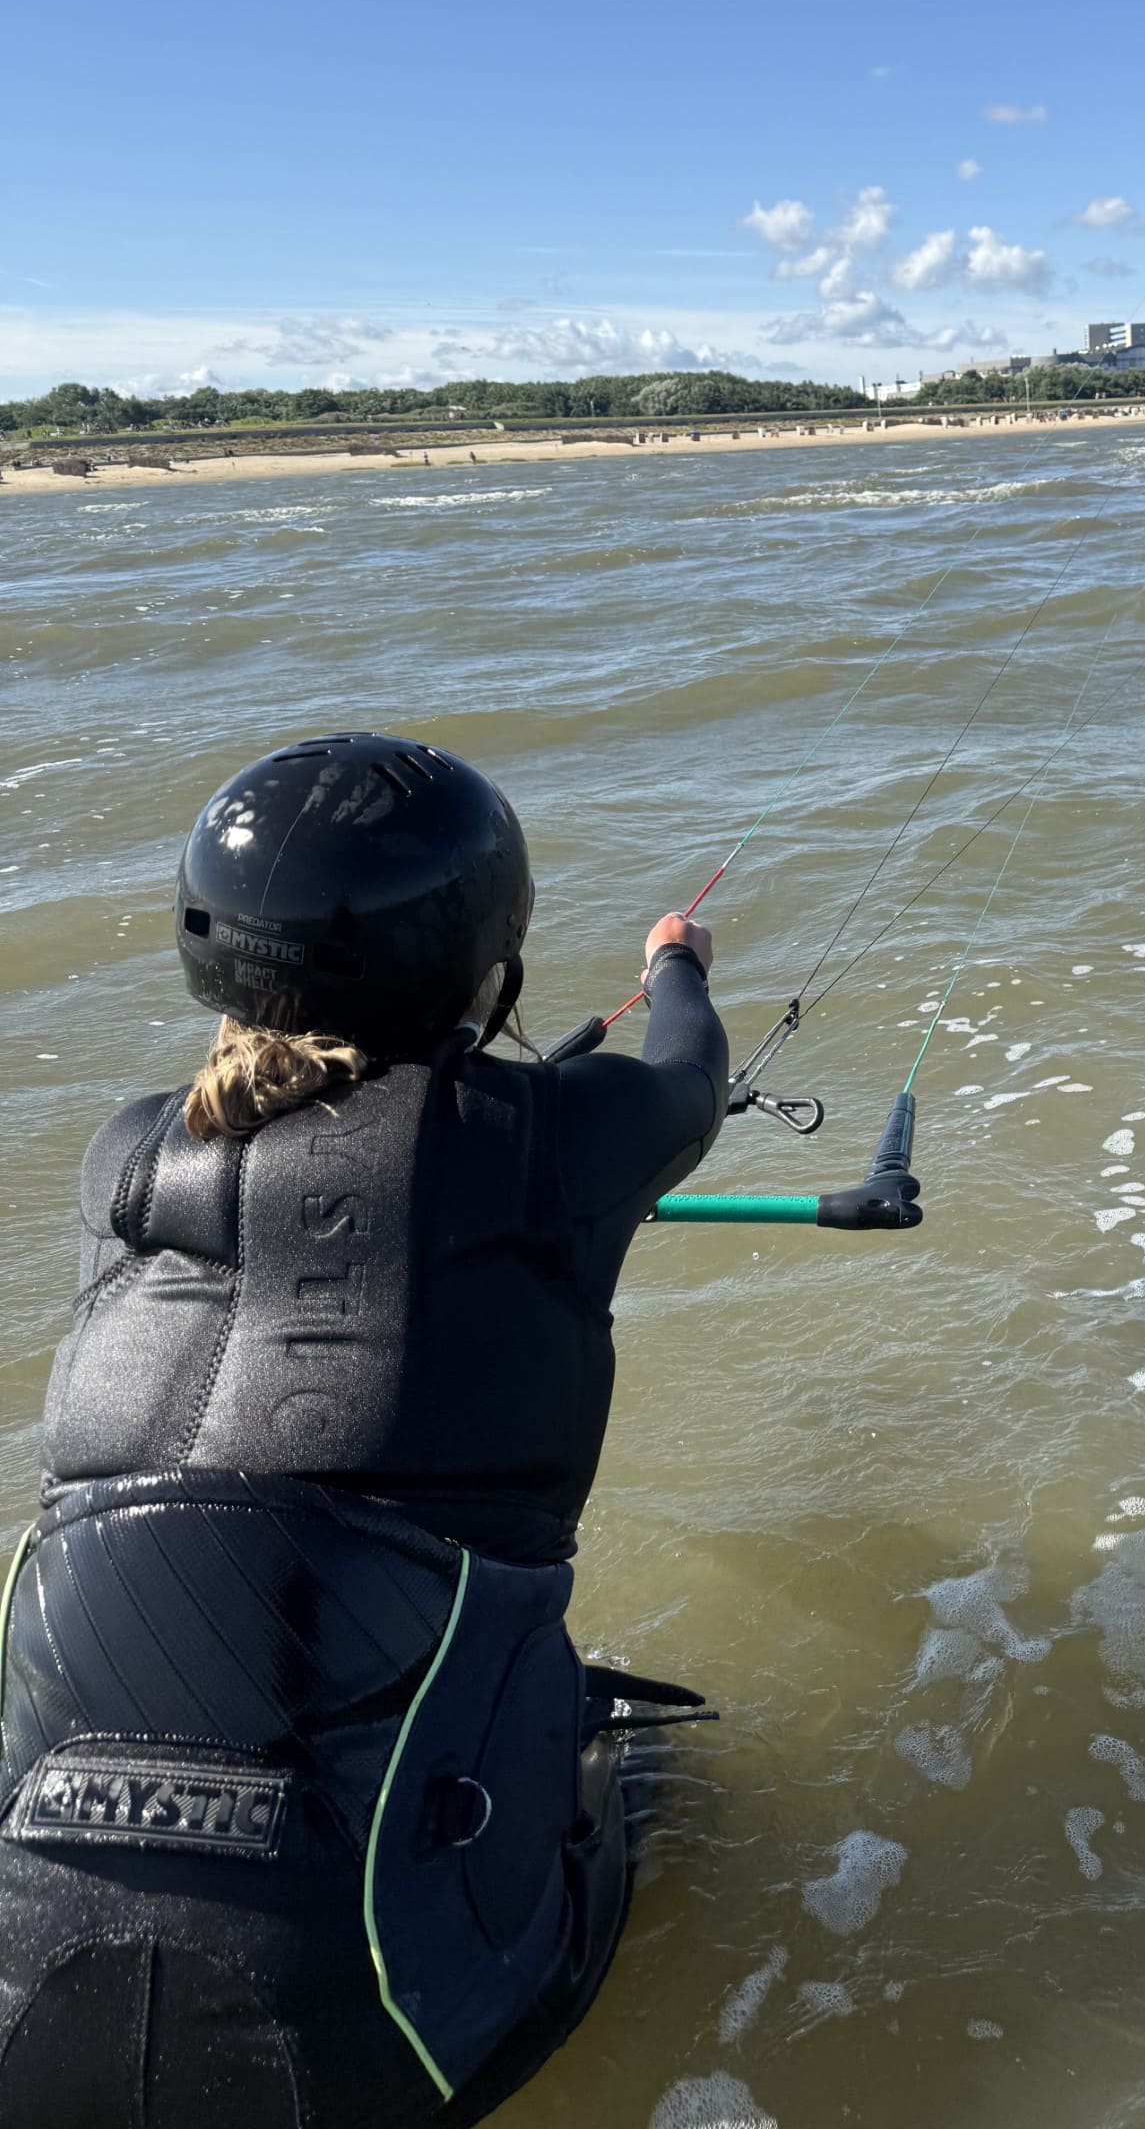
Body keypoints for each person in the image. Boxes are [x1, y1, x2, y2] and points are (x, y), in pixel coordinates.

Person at [0, 733, 727, 2126]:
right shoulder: (554, 1142)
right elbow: (689, 1077)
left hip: (22, 2015)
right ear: (489, 972)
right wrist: (676, 957)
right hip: (387, 2040)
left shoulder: (122, 1161)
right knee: (663, 1767)